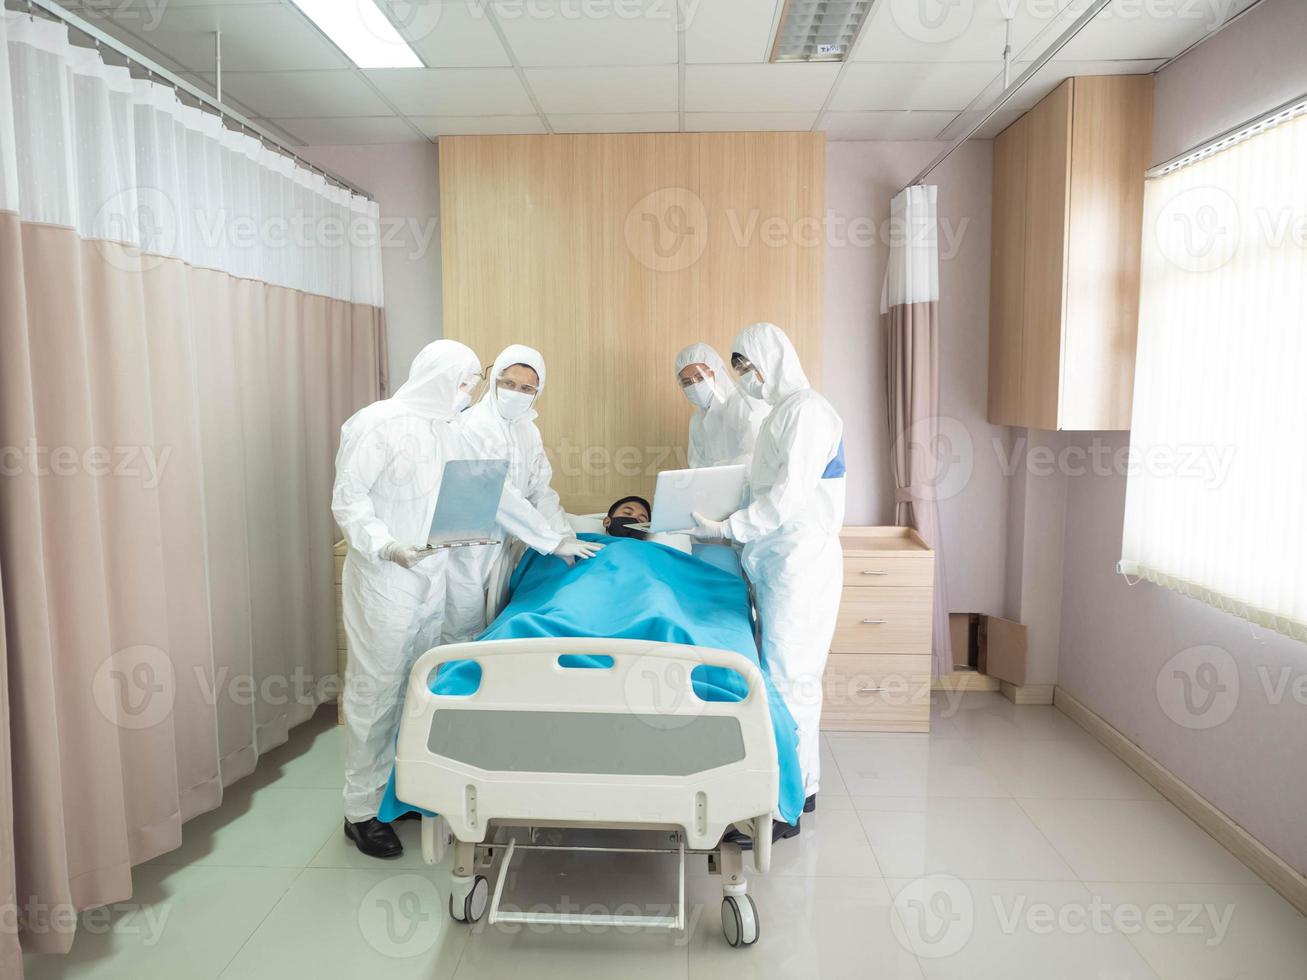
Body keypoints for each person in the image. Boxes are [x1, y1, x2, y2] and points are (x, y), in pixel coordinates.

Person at [332, 340, 599, 858]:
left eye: (471, 383)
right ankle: (360, 812)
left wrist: (552, 538)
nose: (470, 392)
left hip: (432, 572)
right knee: (377, 691)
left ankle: (399, 791)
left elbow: (496, 493)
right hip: (386, 577)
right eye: (464, 383)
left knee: (421, 686)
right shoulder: (376, 423)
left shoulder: (450, 430)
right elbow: (349, 497)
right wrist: (384, 544)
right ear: (435, 376)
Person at [690, 322, 845, 844]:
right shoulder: (782, 413)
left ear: (773, 360)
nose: (745, 379)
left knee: (789, 679)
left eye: (747, 367)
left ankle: (783, 811)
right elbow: (761, 490)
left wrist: (728, 528)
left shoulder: (808, 412)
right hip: (775, 560)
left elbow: (788, 498)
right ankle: (804, 786)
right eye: (738, 370)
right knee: (786, 676)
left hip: (799, 563)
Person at [443, 344, 575, 645]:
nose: (517, 392)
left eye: (527, 387)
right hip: (466, 542)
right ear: (495, 381)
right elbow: (500, 495)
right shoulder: (474, 425)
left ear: (538, 391)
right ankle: (448, 686)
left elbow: (540, 490)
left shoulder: (528, 431)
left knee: (492, 622)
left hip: (502, 540)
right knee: (461, 624)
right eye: (509, 383)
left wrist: (564, 535)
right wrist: (550, 541)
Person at [675, 342, 767, 469]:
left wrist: (716, 472)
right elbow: (696, 468)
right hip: (712, 488)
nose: (695, 386)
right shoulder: (697, 420)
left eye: (700, 377)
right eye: (687, 382)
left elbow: (755, 459)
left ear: (716, 371)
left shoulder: (745, 404)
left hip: (748, 488)